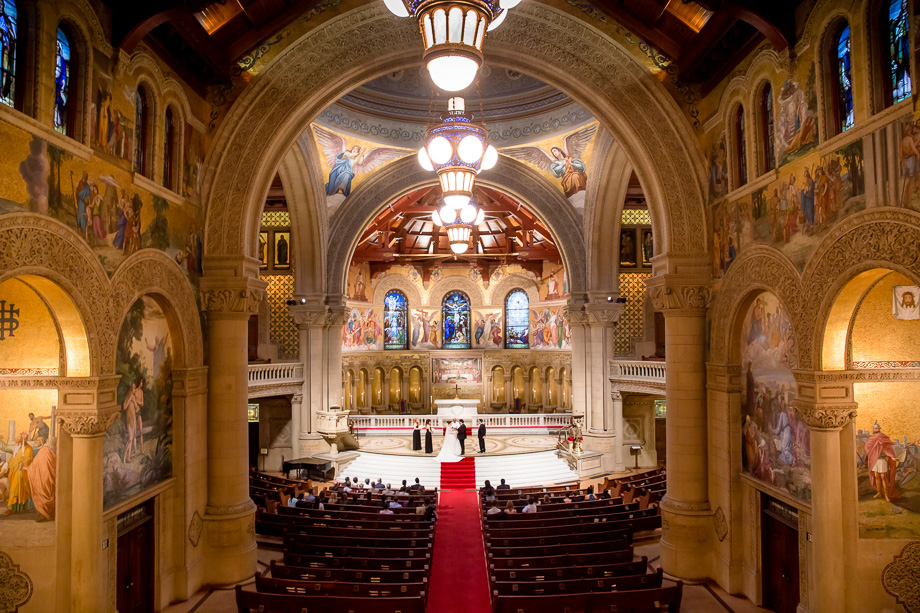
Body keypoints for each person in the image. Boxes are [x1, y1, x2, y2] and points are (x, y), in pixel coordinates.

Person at [865, 423, 899, 502]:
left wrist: (891, 456)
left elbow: (887, 448)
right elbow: (868, 448)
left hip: (882, 459)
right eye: (875, 429)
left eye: (878, 428)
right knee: (876, 476)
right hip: (875, 459)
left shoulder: (882, 437)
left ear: (879, 429)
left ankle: (886, 494)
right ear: (873, 430)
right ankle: (879, 492)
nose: (877, 430)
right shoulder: (871, 438)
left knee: (883, 476)